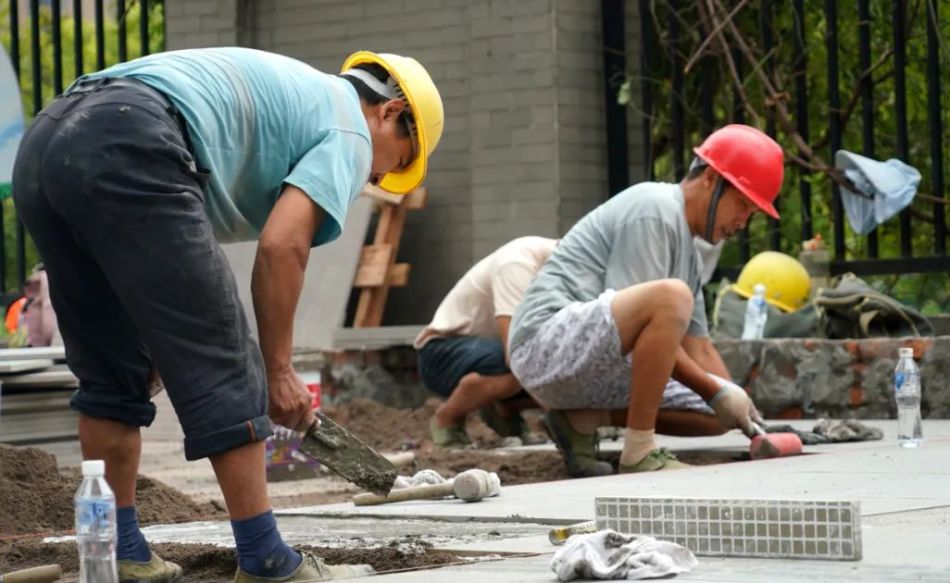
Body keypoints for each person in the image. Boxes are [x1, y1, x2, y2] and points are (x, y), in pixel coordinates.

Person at [13, 47, 443, 582]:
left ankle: (119, 552)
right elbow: (283, 246)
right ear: (390, 112)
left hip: (49, 140)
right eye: (396, 161)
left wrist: (162, 341)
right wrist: (278, 370)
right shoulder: (350, 127)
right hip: (132, 134)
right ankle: (267, 561)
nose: (378, 178)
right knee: (228, 356)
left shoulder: (293, 98)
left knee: (113, 371)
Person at [509, 124, 781, 478]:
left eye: (752, 213)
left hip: (592, 362)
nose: (743, 221)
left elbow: (699, 350)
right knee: (673, 300)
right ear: (712, 179)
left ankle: (580, 421)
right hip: (543, 345)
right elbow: (644, 329)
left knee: (718, 414)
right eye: (743, 205)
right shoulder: (655, 209)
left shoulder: (690, 256)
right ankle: (638, 450)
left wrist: (746, 413)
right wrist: (713, 389)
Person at [414, 236, 557, 447]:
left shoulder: (556, 270)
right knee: (524, 359)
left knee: (547, 358)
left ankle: (505, 411)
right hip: (441, 354)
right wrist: (561, 410)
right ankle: (447, 418)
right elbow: (515, 353)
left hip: (484, 350)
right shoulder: (517, 263)